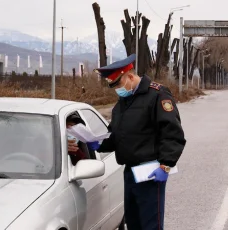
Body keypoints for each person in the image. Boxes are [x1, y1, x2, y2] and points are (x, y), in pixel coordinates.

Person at [70, 54, 186, 230]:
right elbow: (118, 133)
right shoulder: (124, 102)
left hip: (150, 172)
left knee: (150, 225)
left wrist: (166, 166)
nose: (117, 89)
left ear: (130, 76)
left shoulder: (158, 95)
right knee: (133, 222)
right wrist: (101, 144)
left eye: (118, 84)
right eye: (114, 86)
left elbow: (173, 134)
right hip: (130, 171)